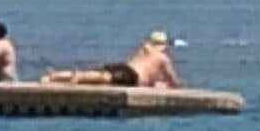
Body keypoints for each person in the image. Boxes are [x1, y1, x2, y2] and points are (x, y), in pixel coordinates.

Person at [41, 31, 182, 90]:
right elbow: (173, 81)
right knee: (104, 78)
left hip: (125, 67)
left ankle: (56, 75)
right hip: (133, 76)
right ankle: (73, 77)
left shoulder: (143, 49)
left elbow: (134, 64)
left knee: (96, 73)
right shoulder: (162, 58)